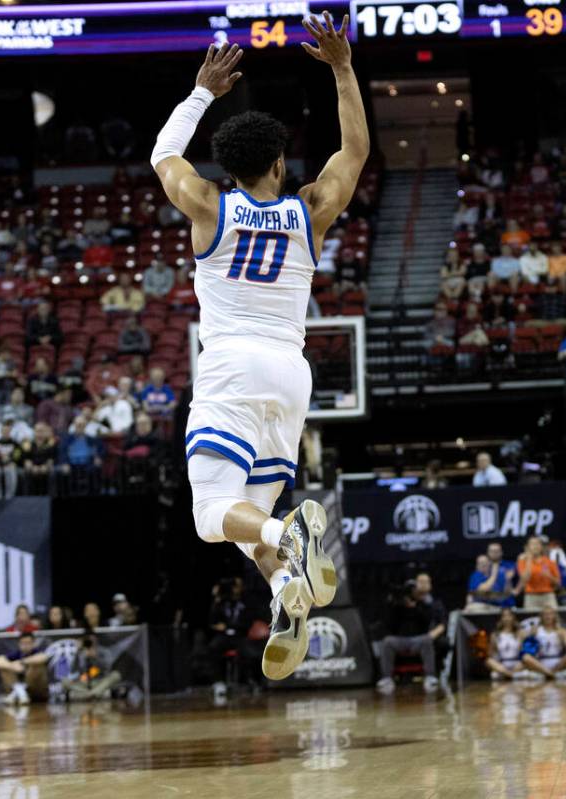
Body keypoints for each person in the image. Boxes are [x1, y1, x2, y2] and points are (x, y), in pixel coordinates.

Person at [151, 23, 363, 680]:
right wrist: (344, 69)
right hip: (291, 373)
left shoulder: (208, 207)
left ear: (229, 167)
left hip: (231, 365)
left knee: (213, 516)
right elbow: (354, 149)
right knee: (251, 515)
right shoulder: (310, 210)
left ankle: (290, 539)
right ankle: (284, 593)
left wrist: (199, 93)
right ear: (279, 163)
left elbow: (163, 155)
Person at [376, 573, 446, 692]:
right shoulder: (398, 605)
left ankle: (430, 676)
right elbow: (389, 624)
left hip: (419, 639)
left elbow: (428, 620)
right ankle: (386, 678)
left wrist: (416, 606)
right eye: (420, 582)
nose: (422, 585)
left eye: (426, 582)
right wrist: (396, 605)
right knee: (387, 641)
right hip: (400, 639)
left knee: (427, 640)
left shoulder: (427, 604)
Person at [0, 632, 50, 705]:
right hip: (18, 690)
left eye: (28, 643)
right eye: (23, 643)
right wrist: (12, 666)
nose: (25, 646)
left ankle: (18, 693)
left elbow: (44, 657)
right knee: (4, 669)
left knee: (36, 666)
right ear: (19, 644)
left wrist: (22, 662)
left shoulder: (37, 652)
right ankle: (20, 692)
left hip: (36, 691)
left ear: (34, 644)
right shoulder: (16, 654)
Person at [61, 634, 123, 701]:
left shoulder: (104, 651)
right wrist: (77, 652)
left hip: (100, 680)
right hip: (85, 681)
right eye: (89, 641)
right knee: (64, 681)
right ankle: (93, 694)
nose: (91, 643)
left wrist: (95, 658)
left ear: (96, 641)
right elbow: (73, 670)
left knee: (116, 675)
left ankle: (90, 694)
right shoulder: (82, 652)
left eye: (93, 640)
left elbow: (108, 667)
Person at [519, 606, 566, 679]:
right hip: (541, 661)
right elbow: (523, 644)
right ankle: (551, 674)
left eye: (550, 614)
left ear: (554, 616)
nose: (548, 616)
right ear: (541, 617)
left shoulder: (562, 631)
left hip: (558, 661)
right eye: (545, 614)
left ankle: (550, 672)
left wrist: (565, 638)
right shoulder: (536, 630)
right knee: (525, 657)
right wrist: (530, 635)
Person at [516, 536, 560, 610]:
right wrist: (529, 559)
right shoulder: (522, 561)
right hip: (531, 596)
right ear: (527, 547)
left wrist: (549, 576)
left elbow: (558, 583)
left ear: (541, 547)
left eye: (537, 544)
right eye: (533, 544)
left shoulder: (550, 562)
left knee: (553, 618)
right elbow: (524, 580)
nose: (535, 546)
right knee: (531, 618)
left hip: (548, 595)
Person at [484, 608, 525, 679]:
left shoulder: (520, 633)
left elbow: (524, 653)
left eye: (509, 616)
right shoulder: (495, 634)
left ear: (513, 617)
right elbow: (491, 654)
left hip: (517, 664)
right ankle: (511, 675)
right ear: (501, 619)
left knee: (526, 660)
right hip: (502, 665)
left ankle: (507, 675)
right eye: (504, 616)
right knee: (488, 661)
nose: (507, 619)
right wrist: (491, 647)